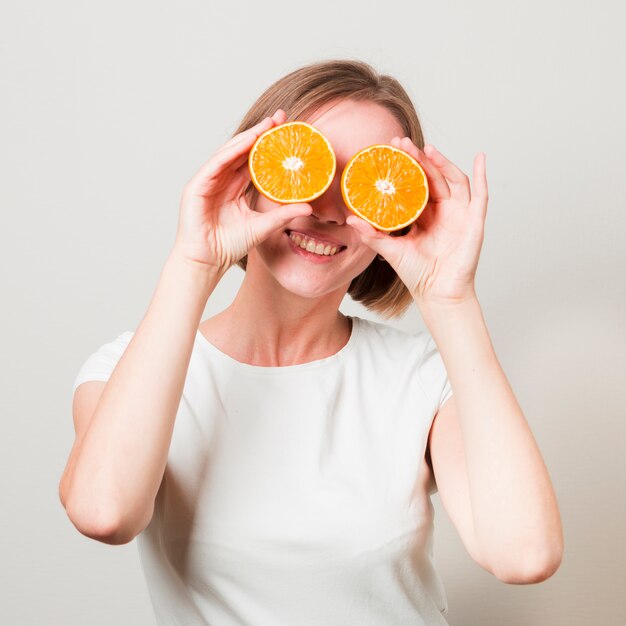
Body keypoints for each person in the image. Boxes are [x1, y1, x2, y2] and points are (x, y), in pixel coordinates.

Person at [59, 59, 563, 625]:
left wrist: (452, 300)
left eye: (366, 184)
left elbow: (526, 554)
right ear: (249, 177)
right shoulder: (129, 371)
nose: (327, 211)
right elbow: (104, 513)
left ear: (400, 212)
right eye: (306, 169)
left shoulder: (421, 380)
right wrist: (192, 262)